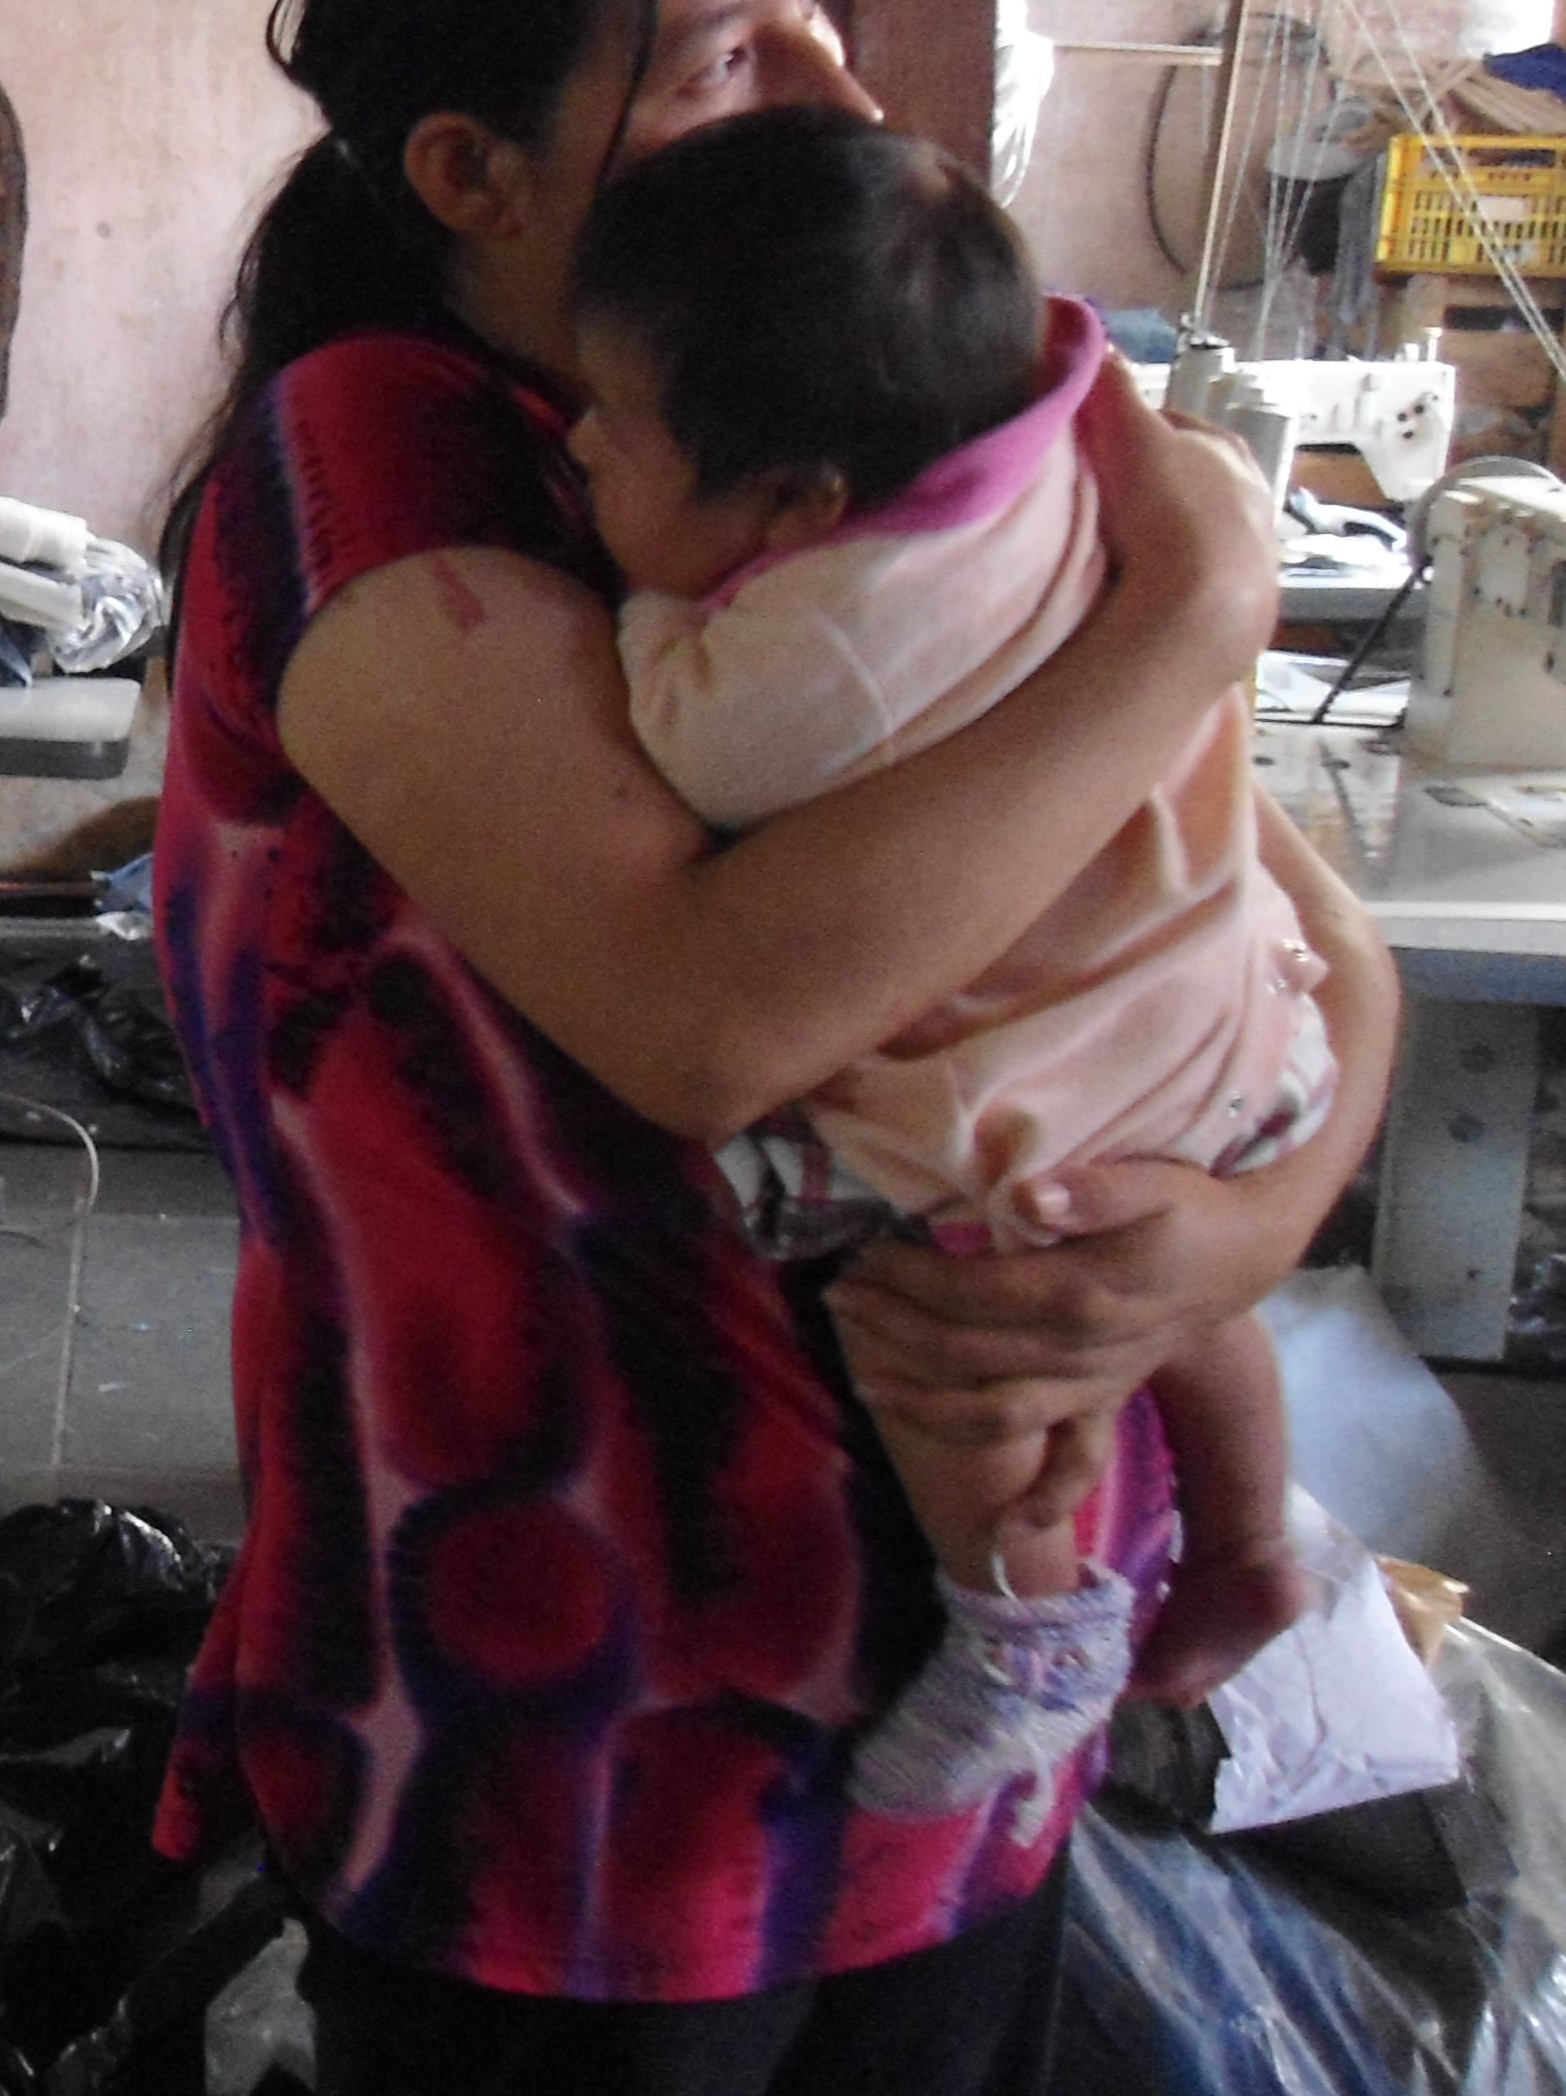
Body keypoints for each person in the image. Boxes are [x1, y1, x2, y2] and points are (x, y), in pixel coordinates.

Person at [149, 0, 1398, 2096]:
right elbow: (715, 1014)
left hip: (956, 1710)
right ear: (473, 173)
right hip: (570, 1750)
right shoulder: (386, 482)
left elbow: (1270, 930)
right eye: (726, 51)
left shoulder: (870, 423)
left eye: (816, 9)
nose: (836, 90)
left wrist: (1252, 1224)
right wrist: (1186, 619)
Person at [566, 105, 1322, 1816]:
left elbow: (688, 752)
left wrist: (634, 622)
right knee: (1189, 1283)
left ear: (798, 504)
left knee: (957, 1346)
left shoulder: (817, 647)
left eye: (611, 429)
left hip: (1050, 1074)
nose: (579, 453)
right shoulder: (1039, 438)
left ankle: (1022, 1618)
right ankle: (1258, 1533)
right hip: (1223, 1001)